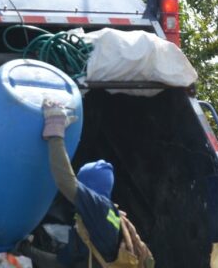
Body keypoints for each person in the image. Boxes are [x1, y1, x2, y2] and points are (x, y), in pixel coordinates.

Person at [18, 99, 153, 268]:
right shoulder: (102, 217)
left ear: (90, 185)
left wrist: (55, 131)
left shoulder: (98, 208)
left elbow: (65, 180)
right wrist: (26, 250)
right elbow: (62, 264)